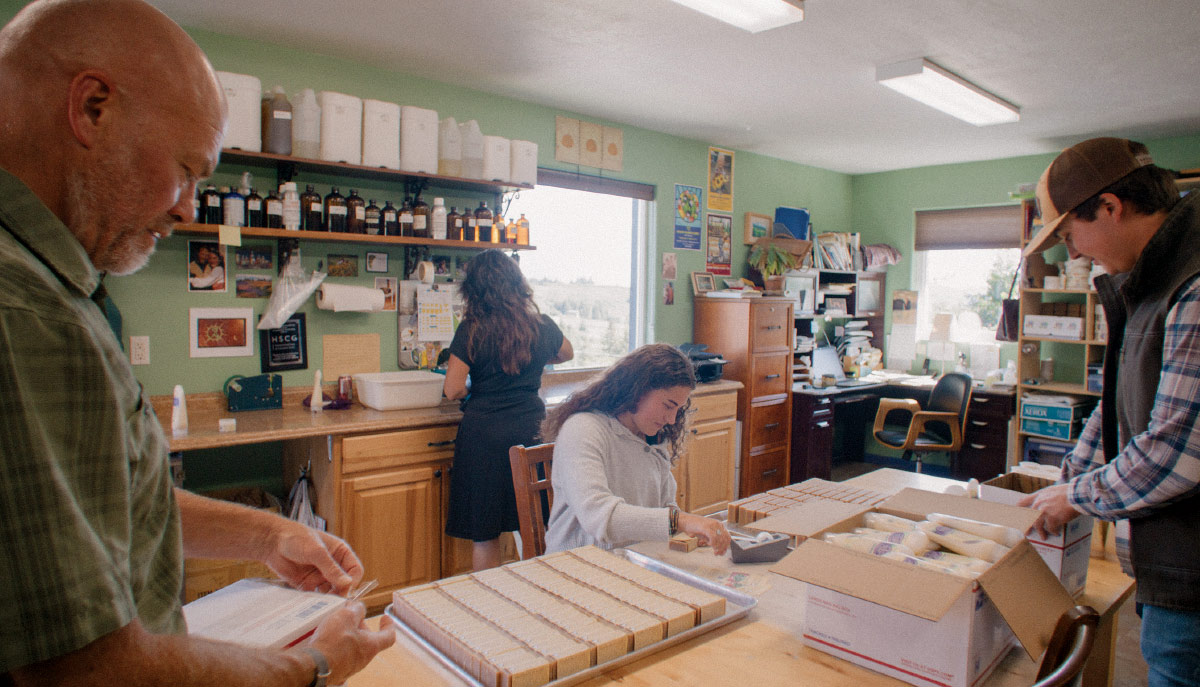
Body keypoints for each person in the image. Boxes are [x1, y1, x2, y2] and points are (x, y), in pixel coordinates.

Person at [0, 1, 394, 685]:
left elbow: (103, 498)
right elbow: (90, 669)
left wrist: (269, 533)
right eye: (186, 169)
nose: (187, 208)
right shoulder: (26, 310)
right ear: (92, 107)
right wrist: (313, 663)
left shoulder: (55, 285)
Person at [1017, 137, 1200, 687]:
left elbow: (1176, 454)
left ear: (1112, 207)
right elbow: (1118, 405)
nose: (1073, 254)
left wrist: (1075, 496)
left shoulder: (1192, 287)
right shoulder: (1151, 282)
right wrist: (1071, 474)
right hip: (1172, 567)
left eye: (1072, 235)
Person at [442, 249, 573, 570]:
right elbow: (567, 353)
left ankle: (488, 606)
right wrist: (535, 360)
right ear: (517, 283)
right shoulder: (540, 325)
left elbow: (453, 389)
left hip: (483, 437)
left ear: (474, 289)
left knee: (485, 533)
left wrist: (478, 383)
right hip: (530, 430)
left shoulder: (472, 329)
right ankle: (541, 593)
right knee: (535, 523)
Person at [540, 343, 731, 555]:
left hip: (631, 557)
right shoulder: (582, 429)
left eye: (678, 408)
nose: (672, 419)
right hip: (576, 564)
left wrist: (691, 530)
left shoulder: (651, 437)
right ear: (638, 391)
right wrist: (682, 521)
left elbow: (664, 508)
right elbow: (601, 518)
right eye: (668, 405)